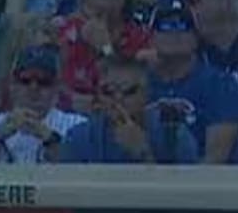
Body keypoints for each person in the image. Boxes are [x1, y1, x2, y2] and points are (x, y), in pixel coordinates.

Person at [142, 0, 238, 161]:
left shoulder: (219, 83)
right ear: (151, 37)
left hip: (199, 178)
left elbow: (216, 158)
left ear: (197, 37)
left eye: (184, 27)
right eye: (165, 27)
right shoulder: (137, 81)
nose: (175, 34)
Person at [57, 53, 204, 160]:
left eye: (129, 92)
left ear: (146, 95)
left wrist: (143, 153)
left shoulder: (173, 135)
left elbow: (182, 196)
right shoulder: (79, 137)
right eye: (108, 92)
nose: (117, 100)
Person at [0, 45, 88, 162]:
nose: (34, 88)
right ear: (12, 85)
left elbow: (87, 176)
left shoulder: (78, 126)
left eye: (43, 82)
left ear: (56, 88)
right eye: (25, 81)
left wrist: (51, 139)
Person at [52, 0, 148, 107]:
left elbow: (125, 94)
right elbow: (44, 86)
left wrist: (105, 49)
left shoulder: (140, 40)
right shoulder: (62, 31)